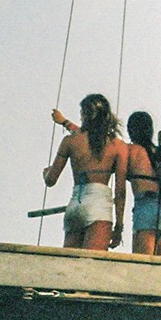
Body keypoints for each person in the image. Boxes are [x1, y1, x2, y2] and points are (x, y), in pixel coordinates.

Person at [45, 95, 126, 251]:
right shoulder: (118, 146)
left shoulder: (71, 141)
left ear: (84, 115)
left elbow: (50, 180)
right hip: (99, 206)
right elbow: (120, 191)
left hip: (75, 205)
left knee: (70, 266)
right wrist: (119, 226)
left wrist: (46, 173)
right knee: (92, 266)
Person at [124, 111, 161, 255]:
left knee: (143, 264)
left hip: (145, 206)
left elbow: (103, 146)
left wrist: (67, 123)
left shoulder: (130, 151)